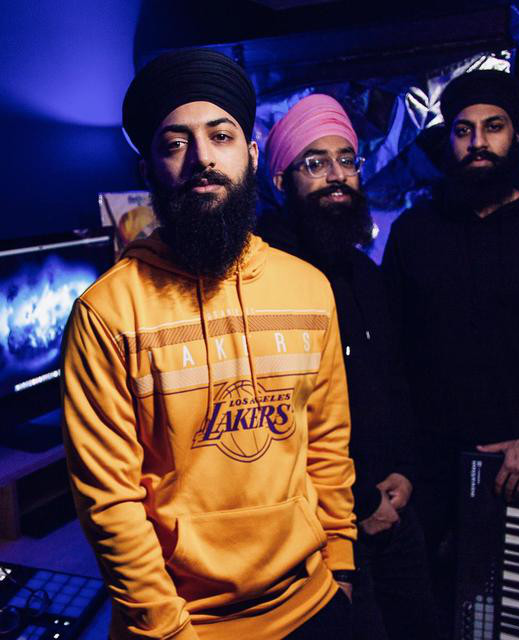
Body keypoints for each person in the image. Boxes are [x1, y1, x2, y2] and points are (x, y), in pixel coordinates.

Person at [61, 50, 357, 640]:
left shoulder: (309, 289)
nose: (202, 159)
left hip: (313, 603)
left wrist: (341, 565)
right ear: (148, 169)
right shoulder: (107, 313)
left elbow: (327, 445)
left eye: (221, 136)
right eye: (176, 144)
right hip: (186, 626)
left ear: (251, 155)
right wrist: (168, 631)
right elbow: (111, 505)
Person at [382, 70, 519, 637]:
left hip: (517, 458)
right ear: (449, 142)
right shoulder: (413, 232)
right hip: (426, 461)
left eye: (493, 127)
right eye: (463, 130)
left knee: (507, 609)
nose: (477, 142)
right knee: (417, 606)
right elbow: (390, 353)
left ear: (516, 137)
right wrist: (396, 455)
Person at [258, 94, 432, 640]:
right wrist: (362, 504)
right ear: (281, 181)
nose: (336, 176)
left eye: (346, 160)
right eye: (315, 163)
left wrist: (405, 471)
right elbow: (278, 428)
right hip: (319, 525)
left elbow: (394, 383)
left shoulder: (366, 274)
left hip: (392, 498)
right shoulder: (265, 281)